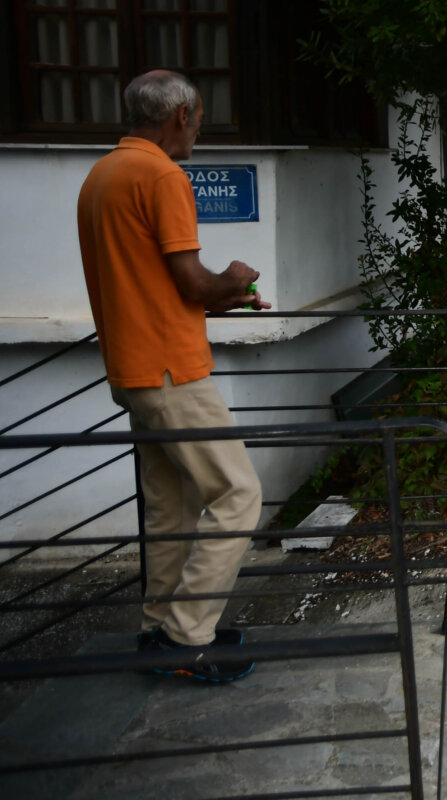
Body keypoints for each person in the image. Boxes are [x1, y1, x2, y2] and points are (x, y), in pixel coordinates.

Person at [77, 69, 269, 683]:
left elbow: (154, 285)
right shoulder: (162, 175)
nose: (198, 132)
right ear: (180, 115)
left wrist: (222, 297)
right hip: (170, 370)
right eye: (200, 119)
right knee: (238, 495)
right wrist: (233, 279)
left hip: (130, 368)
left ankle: (157, 628)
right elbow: (192, 282)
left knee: (172, 508)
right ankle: (187, 639)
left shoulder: (102, 175)